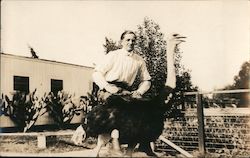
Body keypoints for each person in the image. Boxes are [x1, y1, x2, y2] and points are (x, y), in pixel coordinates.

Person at [71, 31, 185, 157]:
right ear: (122, 42)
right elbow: (96, 73)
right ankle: (110, 138)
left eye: (133, 40)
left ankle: (137, 146)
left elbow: (147, 80)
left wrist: (139, 91)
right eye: (128, 40)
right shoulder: (113, 55)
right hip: (109, 89)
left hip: (127, 92)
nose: (131, 42)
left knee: (144, 111)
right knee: (115, 106)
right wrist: (107, 86)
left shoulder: (139, 60)